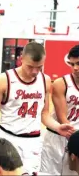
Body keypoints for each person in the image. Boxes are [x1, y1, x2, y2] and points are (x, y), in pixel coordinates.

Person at [0, 42, 74, 173]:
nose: (35, 71)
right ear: (21, 59)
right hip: (8, 137)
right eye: (30, 67)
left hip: (33, 140)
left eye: (39, 67)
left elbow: (44, 114)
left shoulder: (45, 80)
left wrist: (57, 127)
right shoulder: (3, 79)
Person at [40, 45, 79, 175]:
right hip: (58, 137)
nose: (75, 68)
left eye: (78, 63)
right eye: (72, 64)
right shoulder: (60, 83)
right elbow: (63, 118)